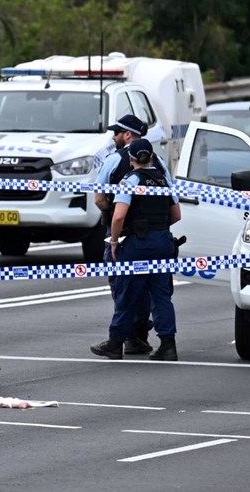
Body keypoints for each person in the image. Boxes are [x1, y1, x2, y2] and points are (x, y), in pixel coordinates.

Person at [91, 138, 182, 361]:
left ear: (131, 159)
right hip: (163, 242)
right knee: (161, 296)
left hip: (138, 244)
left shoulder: (130, 181)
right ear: (151, 157)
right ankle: (168, 345)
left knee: (127, 293)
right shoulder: (163, 181)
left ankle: (115, 343)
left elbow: (119, 215)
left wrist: (113, 241)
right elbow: (177, 215)